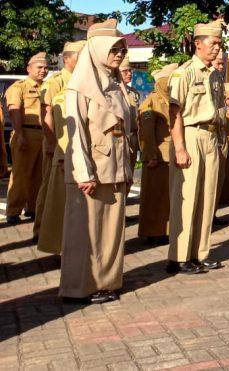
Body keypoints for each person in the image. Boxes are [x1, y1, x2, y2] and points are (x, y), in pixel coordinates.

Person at [60, 19, 133, 304]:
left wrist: (127, 168)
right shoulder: (80, 87)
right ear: (98, 49)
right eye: (113, 48)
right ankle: (78, 287)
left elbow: (124, 133)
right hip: (92, 170)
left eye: (122, 49)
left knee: (111, 231)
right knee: (84, 233)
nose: (119, 54)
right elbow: (75, 133)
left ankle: (106, 283)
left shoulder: (115, 85)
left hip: (115, 167)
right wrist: (83, 172)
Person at [167, 21, 226, 275]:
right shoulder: (185, 73)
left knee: (207, 197)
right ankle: (179, 257)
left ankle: (200, 253)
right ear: (197, 44)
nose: (216, 48)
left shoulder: (214, 74)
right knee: (187, 197)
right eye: (212, 43)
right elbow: (174, 112)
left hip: (211, 137)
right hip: (190, 135)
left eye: (219, 44)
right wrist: (180, 147)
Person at [36, 41, 85, 252]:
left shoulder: (81, 79)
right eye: (79, 56)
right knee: (51, 191)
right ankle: (42, 232)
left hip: (74, 144)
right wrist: (50, 141)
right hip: (60, 143)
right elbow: (47, 113)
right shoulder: (56, 81)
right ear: (67, 58)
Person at [5, 51, 49, 224]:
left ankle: (32, 208)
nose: (43, 71)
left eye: (46, 68)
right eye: (39, 67)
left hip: (43, 135)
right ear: (29, 68)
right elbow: (14, 112)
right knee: (21, 174)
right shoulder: (19, 87)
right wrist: (20, 135)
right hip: (25, 133)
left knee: (39, 175)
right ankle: (13, 211)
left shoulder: (46, 87)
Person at [136, 63, 178, 246]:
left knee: (165, 197)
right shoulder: (151, 102)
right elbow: (146, 132)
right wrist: (151, 154)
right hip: (157, 157)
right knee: (153, 197)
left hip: (170, 155)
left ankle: (164, 230)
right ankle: (152, 232)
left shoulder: (171, 101)